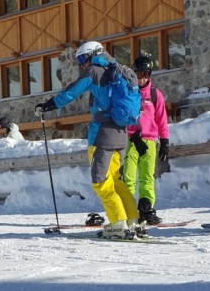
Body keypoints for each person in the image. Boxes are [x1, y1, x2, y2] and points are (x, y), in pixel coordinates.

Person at [34, 40, 142, 239]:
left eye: (83, 58)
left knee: (101, 181)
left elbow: (71, 92)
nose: (82, 64)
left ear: (93, 55)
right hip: (121, 134)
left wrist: (48, 105)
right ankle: (133, 221)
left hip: (103, 136)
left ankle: (118, 224)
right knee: (117, 181)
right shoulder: (116, 70)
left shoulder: (94, 71)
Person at [122, 54, 169, 225]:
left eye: (146, 75)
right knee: (128, 177)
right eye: (139, 74)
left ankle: (145, 209)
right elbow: (124, 116)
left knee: (147, 177)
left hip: (149, 141)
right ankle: (127, 210)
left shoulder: (155, 95)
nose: (142, 79)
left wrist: (164, 141)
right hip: (131, 141)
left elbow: (161, 119)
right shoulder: (128, 92)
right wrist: (134, 136)